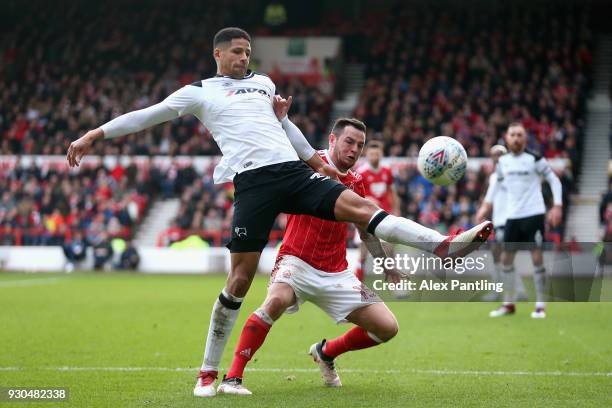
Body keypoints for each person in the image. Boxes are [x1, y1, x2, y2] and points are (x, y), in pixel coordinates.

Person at [65, 27, 492, 397]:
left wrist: (319, 165)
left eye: (248, 52)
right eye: (236, 51)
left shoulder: (265, 85)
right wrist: (94, 135)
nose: (244, 57)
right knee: (240, 280)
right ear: (218, 54)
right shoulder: (199, 91)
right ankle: (210, 372)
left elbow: (289, 133)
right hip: (252, 184)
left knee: (363, 209)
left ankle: (443, 245)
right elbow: (147, 116)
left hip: (291, 173)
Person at [217, 117, 402, 395]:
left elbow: (365, 233)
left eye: (360, 145)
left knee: (387, 327)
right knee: (276, 300)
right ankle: (232, 378)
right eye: (349, 141)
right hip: (296, 261)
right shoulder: (303, 165)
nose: (354, 150)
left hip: (336, 272)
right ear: (332, 140)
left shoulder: (356, 182)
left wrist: (387, 265)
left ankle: (326, 352)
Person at [476, 123, 562, 318]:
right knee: (506, 259)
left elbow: (554, 180)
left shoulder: (535, 159)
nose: (516, 138)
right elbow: (495, 185)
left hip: (534, 214)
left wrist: (557, 206)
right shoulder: (504, 162)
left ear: (525, 138)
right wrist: (485, 207)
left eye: (519, 135)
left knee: (536, 257)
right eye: (513, 135)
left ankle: (540, 305)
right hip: (512, 216)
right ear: (507, 138)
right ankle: (508, 303)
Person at [481, 145, 527, 302]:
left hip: (507, 222)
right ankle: (513, 291)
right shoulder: (496, 176)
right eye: (493, 155)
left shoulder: (508, 175)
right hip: (499, 222)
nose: (496, 158)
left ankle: (508, 292)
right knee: (498, 256)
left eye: (499, 154)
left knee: (502, 256)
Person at [356, 140, 400, 281]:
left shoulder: (387, 171)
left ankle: (395, 283)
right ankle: (358, 282)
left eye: (377, 153)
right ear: (367, 155)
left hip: (385, 216)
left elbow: (392, 192)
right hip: (367, 217)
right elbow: (356, 196)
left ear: (381, 154)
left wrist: (396, 210)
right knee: (363, 251)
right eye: (372, 153)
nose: (374, 156)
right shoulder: (361, 173)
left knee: (389, 250)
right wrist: (368, 198)